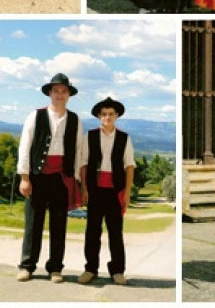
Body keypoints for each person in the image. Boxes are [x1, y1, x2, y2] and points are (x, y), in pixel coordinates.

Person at [16, 73, 83, 283]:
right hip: (37, 177)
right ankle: (27, 266)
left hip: (62, 179)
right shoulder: (35, 115)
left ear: (69, 94)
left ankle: (55, 268)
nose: (60, 95)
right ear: (50, 93)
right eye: (56, 91)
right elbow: (25, 147)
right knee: (33, 224)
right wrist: (24, 177)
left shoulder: (75, 119)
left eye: (64, 91)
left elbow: (79, 152)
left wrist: (78, 181)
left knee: (59, 225)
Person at [78, 97, 135, 286]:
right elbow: (84, 165)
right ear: (98, 116)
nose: (107, 117)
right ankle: (90, 269)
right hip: (95, 190)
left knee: (115, 233)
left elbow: (129, 167)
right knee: (92, 232)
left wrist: (126, 193)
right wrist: (84, 189)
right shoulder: (90, 136)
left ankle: (117, 270)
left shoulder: (124, 138)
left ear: (116, 115)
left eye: (111, 114)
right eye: (104, 114)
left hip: (115, 191)